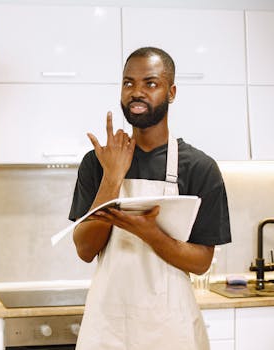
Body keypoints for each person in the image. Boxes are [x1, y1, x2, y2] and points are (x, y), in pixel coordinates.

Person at [69, 47, 231, 350]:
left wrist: (151, 234)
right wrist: (113, 177)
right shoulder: (98, 162)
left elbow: (201, 262)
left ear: (171, 92)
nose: (136, 92)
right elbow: (85, 249)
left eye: (150, 83)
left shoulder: (199, 167)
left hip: (169, 326)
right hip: (109, 326)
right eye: (128, 83)